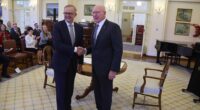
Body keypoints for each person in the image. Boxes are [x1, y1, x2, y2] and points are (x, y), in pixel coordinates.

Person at [78, 5, 123, 110]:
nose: (94, 14)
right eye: (93, 12)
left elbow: (118, 50)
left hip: (107, 69)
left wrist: (113, 69)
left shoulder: (113, 27)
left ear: (104, 13)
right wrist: (85, 50)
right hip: (95, 67)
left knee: (106, 94)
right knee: (97, 92)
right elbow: (95, 46)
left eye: (97, 12)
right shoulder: (95, 27)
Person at [52, 4, 84, 110]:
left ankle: (67, 107)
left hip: (73, 64)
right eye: (65, 13)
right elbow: (57, 45)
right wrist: (74, 49)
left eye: (70, 13)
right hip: (60, 64)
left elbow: (81, 45)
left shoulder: (79, 28)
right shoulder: (57, 26)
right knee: (61, 90)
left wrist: (80, 62)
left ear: (75, 14)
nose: (67, 15)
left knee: (69, 89)